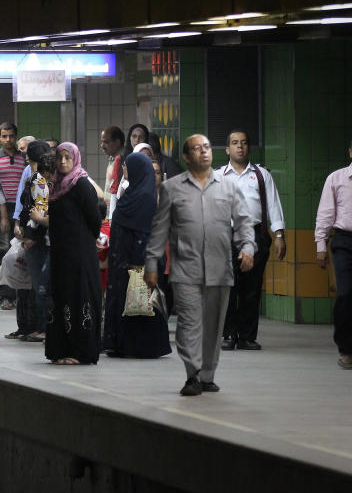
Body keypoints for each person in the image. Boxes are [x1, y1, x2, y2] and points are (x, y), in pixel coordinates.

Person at [145, 134, 256, 395]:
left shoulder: (228, 187)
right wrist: (151, 263)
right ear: (186, 156)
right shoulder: (172, 188)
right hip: (186, 270)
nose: (203, 152)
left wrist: (248, 248)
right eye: (197, 149)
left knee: (214, 326)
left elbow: (243, 222)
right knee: (189, 323)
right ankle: (192, 375)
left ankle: (208, 374)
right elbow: (159, 229)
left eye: (207, 147)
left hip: (220, 269)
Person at [221, 129, 286, 351]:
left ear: (249, 147)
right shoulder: (219, 176)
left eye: (244, 143)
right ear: (227, 149)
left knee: (251, 287)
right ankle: (229, 334)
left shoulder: (261, 175)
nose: (240, 146)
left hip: (255, 235)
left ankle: (247, 336)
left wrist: (278, 235)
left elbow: (274, 205)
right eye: (235, 143)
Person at [102, 152, 172, 358]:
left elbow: (144, 234)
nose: (123, 169)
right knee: (129, 302)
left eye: (126, 166)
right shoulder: (134, 193)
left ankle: (140, 347)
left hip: (136, 264)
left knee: (139, 302)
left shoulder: (144, 199)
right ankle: (121, 344)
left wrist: (139, 262)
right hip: (123, 262)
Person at [44, 143, 103, 365]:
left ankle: (80, 351)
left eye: (68, 158)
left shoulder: (81, 184)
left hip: (79, 253)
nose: (63, 162)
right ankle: (61, 348)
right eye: (59, 157)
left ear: (75, 159)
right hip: (60, 253)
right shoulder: (58, 186)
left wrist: (82, 240)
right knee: (62, 296)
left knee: (78, 296)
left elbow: (95, 219)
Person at [313, 140, 352, 370]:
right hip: (345, 241)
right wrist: (320, 246)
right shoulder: (336, 179)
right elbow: (325, 213)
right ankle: (346, 348)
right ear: (350, 151)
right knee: (347, 293)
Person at [11, 142, 54, 342]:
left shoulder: (45, 182)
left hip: (41, 240)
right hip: (36, 237)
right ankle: (36, 326)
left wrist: (31, 237)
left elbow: (41, 213)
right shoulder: (34, 178)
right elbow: (27, 208)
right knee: (37, 286)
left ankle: (45, 327)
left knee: (42, 286)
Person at [0, 122, 25, 310]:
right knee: (3, 251)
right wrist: (3, 216)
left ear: (16, 137)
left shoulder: (25, 159)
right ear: (0, 136)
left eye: (11, 136)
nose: (8, 140)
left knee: (20, 252)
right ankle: (6, 296)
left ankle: (21, 293)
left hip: (22, 209)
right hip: (0, 211)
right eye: (4, 136)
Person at [101, 126, 125, 211]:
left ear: (117, 142)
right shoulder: (112, 159)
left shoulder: (123, 162)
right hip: (109, 215)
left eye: (106, 142)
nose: (102, 146)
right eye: (102, 142)